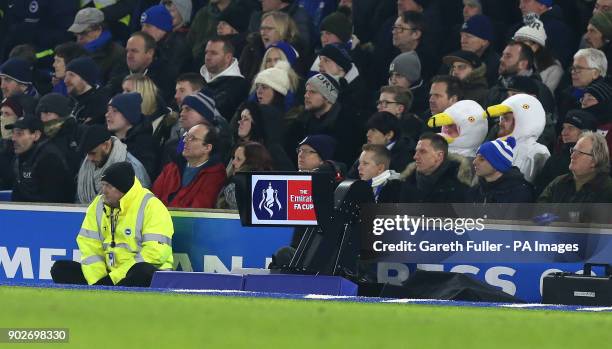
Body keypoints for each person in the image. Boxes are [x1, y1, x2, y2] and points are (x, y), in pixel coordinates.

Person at [51, 161, 174, 287]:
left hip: (139, 274)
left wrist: (113, 279)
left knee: (143, 271)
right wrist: (98, 281)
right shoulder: (98, 205)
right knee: (61, 269)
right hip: (108, 274)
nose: (103, 191)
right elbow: (90, 247)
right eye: (103, 185)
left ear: (123, 188)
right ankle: (97, 298)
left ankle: (112, 297)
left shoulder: (152, 206)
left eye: (109, 186)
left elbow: (155, 254)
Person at [153, 123, 226, 208]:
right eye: (186, 136)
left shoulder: (215, 175)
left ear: (207, 148)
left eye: (192, 138)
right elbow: (153, 197)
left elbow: (197, 210)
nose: (184, 141)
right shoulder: (172, 167)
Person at [76, 125, 150, 204]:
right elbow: (78, 199)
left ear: (106, 145)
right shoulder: (86, 166)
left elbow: (140, 203)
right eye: (87, 154)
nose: (89, 159)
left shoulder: (133, 169)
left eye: (93, 153)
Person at [485, 93, 550, 183]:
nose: (500, 123)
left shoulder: (538, 153)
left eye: (506, 119)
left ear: (523, 120)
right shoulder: (495, 146)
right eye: (501, 118)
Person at [8, 116, 74, 203]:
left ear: (36, 135)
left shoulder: (49, 159)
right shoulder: (19, 158)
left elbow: (54, 201)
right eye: (13, 133)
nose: (13, 139)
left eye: (19, 134)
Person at [534, 109, 598, 196]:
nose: (564, 132)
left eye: (571, 128)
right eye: (564, 127)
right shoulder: (555, 159)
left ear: (586, 132)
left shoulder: (597, 162)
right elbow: (541, 191)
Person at [67, 7, 127, 94]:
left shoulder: (117, 54)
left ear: (98, 29)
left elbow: (112, 89)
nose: (79, 38)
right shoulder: (76, 51)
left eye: (83, 33)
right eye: (76, 33)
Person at [539, 131, 612, 202]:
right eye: (573, 150)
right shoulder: (558, 182)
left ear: (595, 160)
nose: (572, 155)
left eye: (579, 153)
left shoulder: (608, 191)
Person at [399, 133, 471, 203]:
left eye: (422, 151)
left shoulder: (459, 188)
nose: (415, 156)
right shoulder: (407, 181)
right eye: (416, 151)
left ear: (439, 156)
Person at [106, 92, 158, 179]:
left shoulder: (145, 144)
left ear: (129, 115)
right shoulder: (105, 140)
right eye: (108, 110)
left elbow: (142, 178)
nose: (107, 114)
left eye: (115, 111)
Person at [468, 137, 534, 203]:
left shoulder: (519, 194)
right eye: (476, 157)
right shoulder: (477, 190)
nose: (474, 162)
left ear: (497, 163)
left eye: (482, 159)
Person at [200, 36, 249, 121]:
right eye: (206, 52)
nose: (207, 57)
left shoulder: (238, 85)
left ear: (228, 57)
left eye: (214, 53)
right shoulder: (200, 78)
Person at [217, 141, 274, 209]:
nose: (233, 162)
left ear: (251, 163)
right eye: (234, 158)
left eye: (238, 159)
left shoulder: (235, 185)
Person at [35, 92, 82, 176]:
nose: (43, 118)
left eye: (47, 113)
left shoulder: (78, 134)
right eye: (41, 113)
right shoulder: (38, 138)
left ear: (62, 114)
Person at [64, 56, 111, 125]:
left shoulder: (100, 104)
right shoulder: (69, 102)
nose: (65, 80)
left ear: (86, 78)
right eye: (66, 75)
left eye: (71, 75)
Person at [387, 51, 428, 116]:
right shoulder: (382, 97)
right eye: (391, 75)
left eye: (398, 75)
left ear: (412, 77)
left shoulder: (423, 102)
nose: (393, 81)